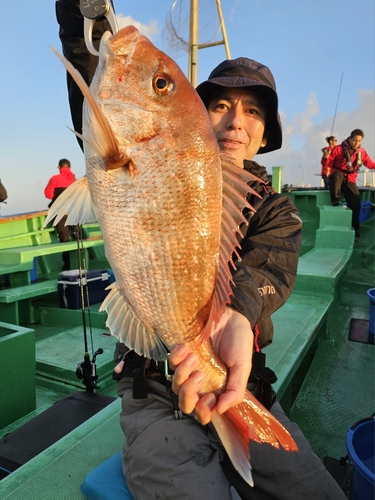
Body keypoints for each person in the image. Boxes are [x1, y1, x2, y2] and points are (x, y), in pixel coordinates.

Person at [56, 5, 346, 498]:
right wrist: (77, 13)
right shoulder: (142, 143)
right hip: (153, 390)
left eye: (253, 110)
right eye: (219, 106)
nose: (236, 121)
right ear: (196, 114)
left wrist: (234, 316)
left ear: (265, 132)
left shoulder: (277, 210)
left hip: (239, 381)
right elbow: (96, 78)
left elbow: (267, 268)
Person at [322, 128, 375, 237]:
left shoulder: (362, 152)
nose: (357, 143)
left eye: (359, 141)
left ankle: (355, 228)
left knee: (356, 201)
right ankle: (335, 199)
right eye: (355, 140)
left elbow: (369, 164)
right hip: (337, 177)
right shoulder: (338, 149)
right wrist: (325, 157)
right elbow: (326, 163)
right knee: (337, 175)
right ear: (350, 139)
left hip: (350, 179)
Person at [44, 158, 76, 269]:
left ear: (59, 167)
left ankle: (67, 264)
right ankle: (86, 258)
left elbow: (48, 195)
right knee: (78, 235)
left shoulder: (55, 179)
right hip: (74, 210)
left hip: (60, 212)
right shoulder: (75, 180)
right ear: (70, 167)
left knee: (64, 237)